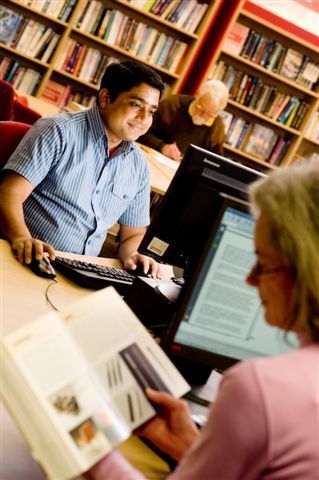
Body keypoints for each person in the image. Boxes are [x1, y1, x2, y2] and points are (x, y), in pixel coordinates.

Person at [86, 161, 319, 479]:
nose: (250, 280)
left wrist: (92, 451)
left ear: (306, 271)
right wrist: (197, 451)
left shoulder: (258, 389)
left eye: (262, 264)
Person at [0, 60, 166, 276]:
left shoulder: (139, 166)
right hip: (25, 259)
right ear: (105, 98)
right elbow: (8, 193)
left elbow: (132, 234)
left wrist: (132, 254)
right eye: (136, 105)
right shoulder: (58, 131)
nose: (144, 119)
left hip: (81, 273)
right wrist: (22, 237)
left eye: (151, 111)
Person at [139, 79, 229, 161]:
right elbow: (140, 132)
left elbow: (215, 161)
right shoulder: (171, 105)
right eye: (201, 108)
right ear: (197, 95)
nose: (203, 116)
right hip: (149, 159)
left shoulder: (217, 126)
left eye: (210, 114)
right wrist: (162, 146)